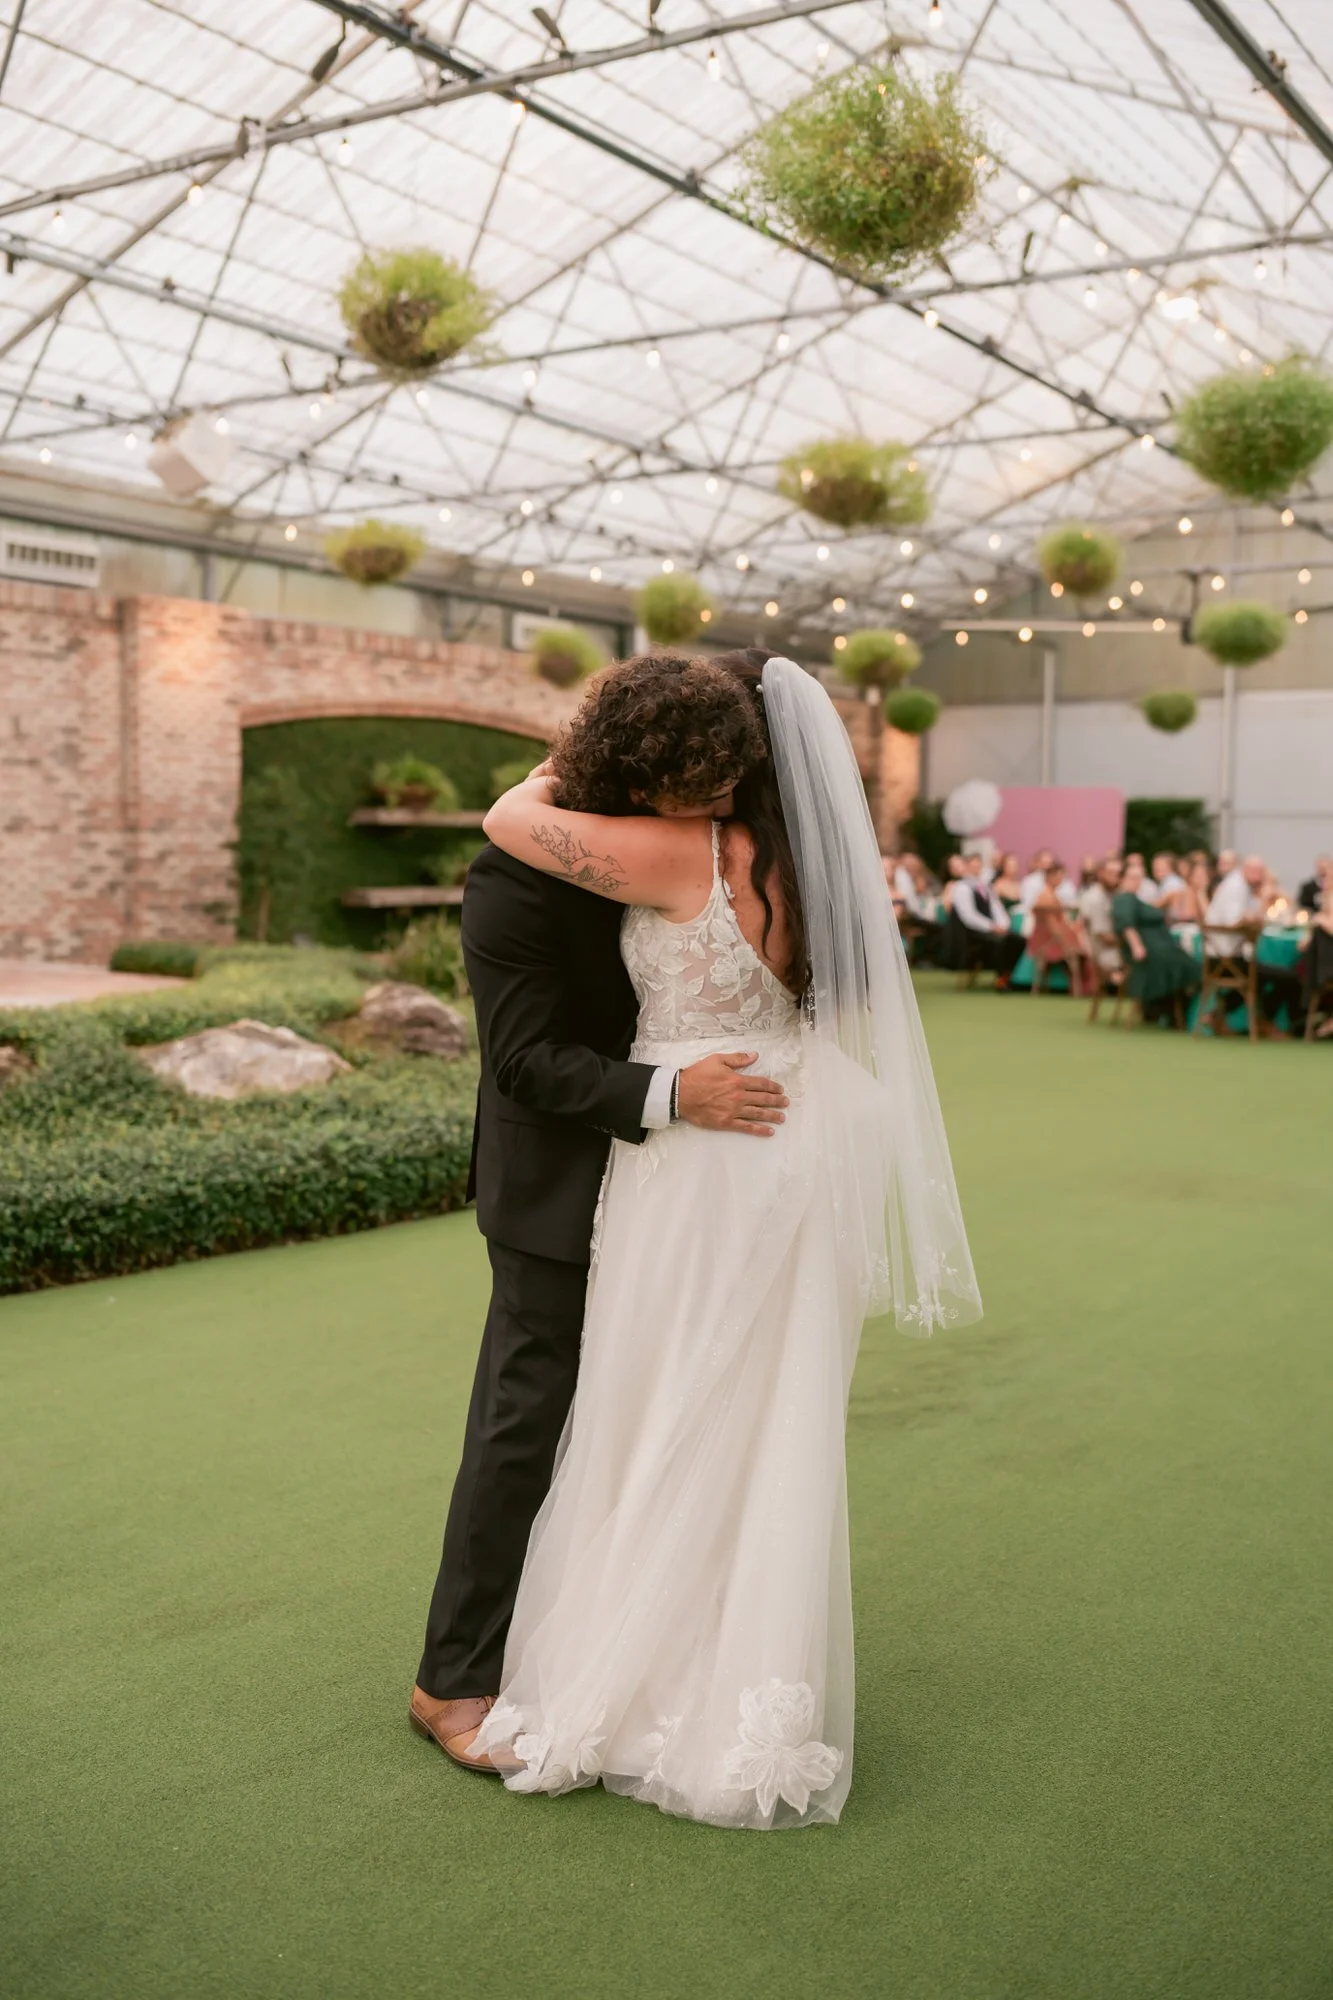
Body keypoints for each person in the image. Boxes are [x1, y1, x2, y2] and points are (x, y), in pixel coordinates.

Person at [461, 653, 980, 1829]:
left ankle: (633, 1669)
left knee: (658, 1402)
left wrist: (562, 761)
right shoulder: (822, 873)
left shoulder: (676, 855)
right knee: (769, 1419)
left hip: (699, 1156)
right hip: (799, 1143)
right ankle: (745, 1679)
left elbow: (506, 818)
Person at [412, 657, 791, 1773]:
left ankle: (616, 1646)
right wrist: (675, 1093)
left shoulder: (700, 842)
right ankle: (451, 1678)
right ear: (640, 776)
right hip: (561, 1188)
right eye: (701, 790)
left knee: (653, 1419)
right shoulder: (513, 875)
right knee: (523, 1427)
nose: (720, 808)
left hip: (679, 1197)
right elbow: (524, 1062)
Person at [1112, 856, 1201, 1024]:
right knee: (1190, 969)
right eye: (1132, 877)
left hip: (1161, 948)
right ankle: (1170, 1012)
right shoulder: (1124, 898)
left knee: (1186, 967)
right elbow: (1126, 924)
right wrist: (1137, 946)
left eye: (1140, 877)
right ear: (1122, 878)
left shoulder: (1135, 899)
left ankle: (1169, 1011)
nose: (1136, 881)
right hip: (1151, 951)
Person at [954, 853, 1025, 984]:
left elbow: (996, 908)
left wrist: (1003, 925)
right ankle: (1000, 979)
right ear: (966, 867)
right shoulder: (961, 887)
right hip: (973, 932)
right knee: (999, 942)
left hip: (992, 929)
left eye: (978, 866)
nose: (976, 869)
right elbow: (968, 916)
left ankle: (1007, 975)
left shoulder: (985, 886)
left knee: (1019, 940)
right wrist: (991, 926)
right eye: (973, 866)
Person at [1029, 861, 1094, 993]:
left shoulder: (1051, 895)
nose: (1061, 879)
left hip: (1054, 938)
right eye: (1059, 876)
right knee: (1083, 946)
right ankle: (1083, 989)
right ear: (1049, 877)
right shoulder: (1045, 897)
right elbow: (1052, 926)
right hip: (1051, 941)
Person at [1078, 856, 1124, 984]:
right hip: (1103, 950)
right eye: (1111, 873)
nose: (1115, 877)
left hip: (1117, 946)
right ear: (1100, 873)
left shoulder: (1118, 895)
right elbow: (1104, 936)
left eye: (1118, 873)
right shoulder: (1094, 898)